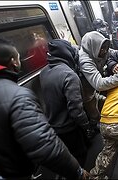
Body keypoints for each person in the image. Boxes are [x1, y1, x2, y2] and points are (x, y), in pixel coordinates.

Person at [0, 36, 91, 179]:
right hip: (19, 170)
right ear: (13, 61)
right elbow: (46, 147)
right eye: (18, 57)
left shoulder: (45, 72)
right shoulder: (17, 96)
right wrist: (78, 172)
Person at [39, 39, 95, 167]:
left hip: (54, 125)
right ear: (67, 54)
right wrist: (87, 126)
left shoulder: (44, 72)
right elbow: (76, 110)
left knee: (68, 157)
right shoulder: (69, 75)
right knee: (80, 156)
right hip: (69, 127)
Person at [78, 31, 118, 133]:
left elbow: (115, 55)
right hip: (87, 93)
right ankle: (95, 130)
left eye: (106, 48)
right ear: (94, 48)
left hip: (97, 90)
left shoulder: (103, 50)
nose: (105, 51)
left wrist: (114, 64)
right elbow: (100, 84)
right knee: (96, 115)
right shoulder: (85, 61)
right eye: (102, 49)